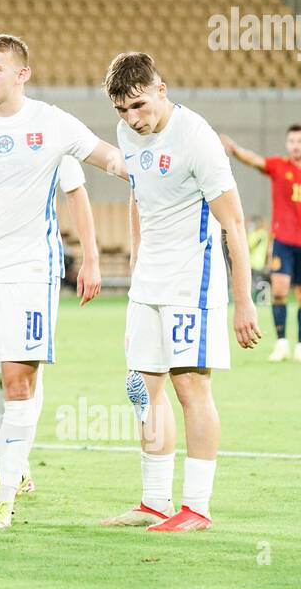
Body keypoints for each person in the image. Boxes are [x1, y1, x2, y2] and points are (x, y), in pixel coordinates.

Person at [0, 34, 123, 529]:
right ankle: (8, 464)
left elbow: (110, 159)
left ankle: (6, 493)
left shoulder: (52, 123)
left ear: (21, 74)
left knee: (17, 380)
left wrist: (155, 164)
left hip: (30, 271)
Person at [101, 52, 261, 532]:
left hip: (193, 280)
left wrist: (244, 300)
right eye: (122, 111)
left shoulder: (197, 138)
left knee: (190, 387)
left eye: (140, 106)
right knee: (140, 390)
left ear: (161, 90)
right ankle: (154, 501)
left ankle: (197, 506)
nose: (132, 119)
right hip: (149, 279)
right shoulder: (127, 132)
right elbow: (139, 196)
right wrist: (136, 261)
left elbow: (233, 222)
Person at [221, 125, 301, 363]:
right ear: (287, 144)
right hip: (283, 241)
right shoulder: (279, 166)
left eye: (300, 141)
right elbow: (254, 161)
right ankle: (282, 343)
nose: (295, 145)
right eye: (292, 141)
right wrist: (235, 150)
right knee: (280, 289)